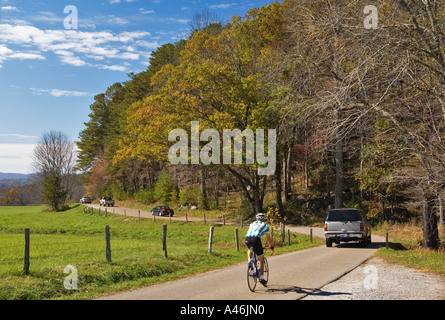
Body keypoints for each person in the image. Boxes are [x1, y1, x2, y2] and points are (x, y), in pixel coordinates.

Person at [245, 213, 272, 286]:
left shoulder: (252, 223)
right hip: (256, 239)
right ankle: (261, 278)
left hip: (247, 238)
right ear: (263, 219)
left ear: (256, 219)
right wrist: (271, 246)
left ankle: (249, 260)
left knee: (249, 248)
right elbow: (268, 237)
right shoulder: (265, 225)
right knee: (260, 258)